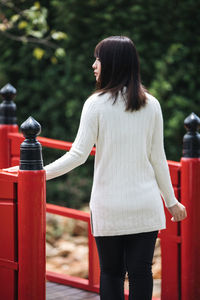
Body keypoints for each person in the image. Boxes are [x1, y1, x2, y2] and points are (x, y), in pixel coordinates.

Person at [5, 36, 187, 300]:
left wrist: (36, 174)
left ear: (112, 63)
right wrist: (172, 202)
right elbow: (158, 158)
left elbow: (77, 155)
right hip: (145, 206)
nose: (94, 65)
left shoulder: (96, 104)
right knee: (141, 274)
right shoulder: (152, 104)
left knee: (111, 273)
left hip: (109, 205)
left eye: (98, 58)